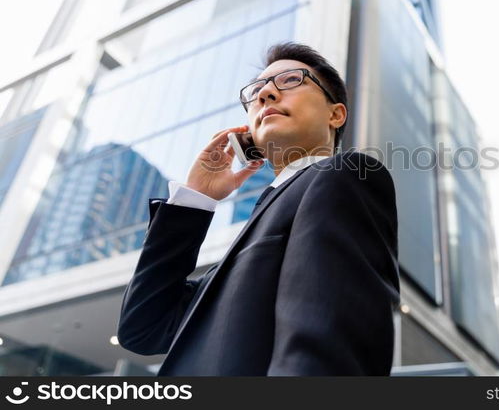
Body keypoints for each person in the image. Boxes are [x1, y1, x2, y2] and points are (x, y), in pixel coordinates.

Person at [117, 42, 400, 375]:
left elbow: (327, 349)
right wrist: (195, 199)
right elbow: (143, 329)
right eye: (257, 90)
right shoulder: (252, 233)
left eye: (292, 80)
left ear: (335, 114)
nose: (265, 93)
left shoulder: (344, 176)